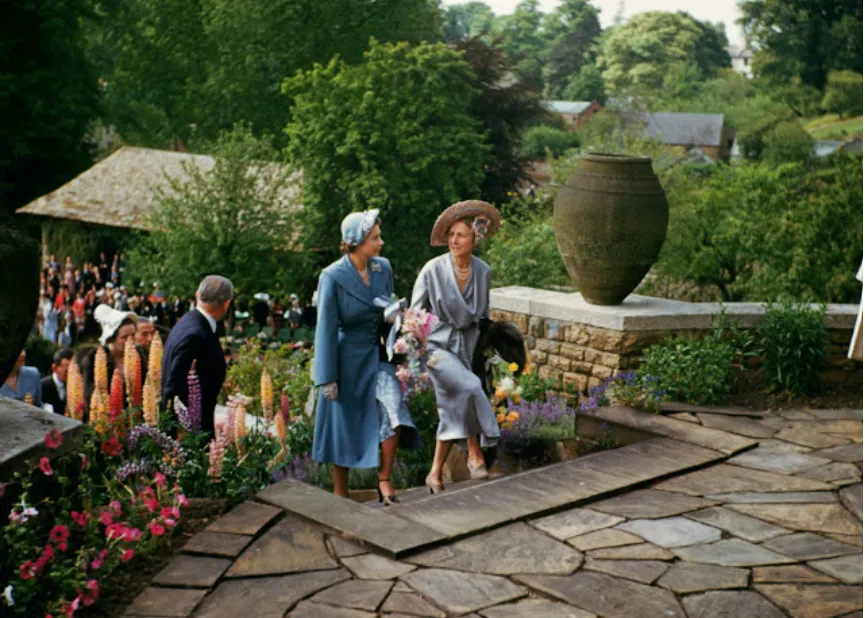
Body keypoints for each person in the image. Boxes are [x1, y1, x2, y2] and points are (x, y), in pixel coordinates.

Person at [313, 209, 420, 503]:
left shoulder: (382, 268)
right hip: (345, 359)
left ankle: (384, 479)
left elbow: (387, 308)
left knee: (394, 409)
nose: (381, 242)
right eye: (375, 238)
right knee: (342, 421)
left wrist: (402, 328)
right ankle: (340, 493)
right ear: (356, 242)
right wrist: (326, 377)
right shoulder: (332, 276)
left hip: (377, 355)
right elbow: (325, 327)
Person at [410, 200, 501, 493]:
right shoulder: (432, 270)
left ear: (474, 239)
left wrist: (488, 350)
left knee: (454, 408)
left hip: (469, 345)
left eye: (460, 235)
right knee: (471, 388)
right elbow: (413, 314)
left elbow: (484, 315)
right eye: (450, 235)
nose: (453, 240)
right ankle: (480, 443)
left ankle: (434, 474)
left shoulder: (483, 271)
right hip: (437, 347)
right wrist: (415, 357)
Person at [162, 275, 233, 436]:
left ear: (197, 295)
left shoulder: (188, 323)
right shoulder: (196, 334)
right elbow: (173, 389)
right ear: (226, 303)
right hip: (189, 435)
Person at [41, 348, 74, 415]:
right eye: (67, 371)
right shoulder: (42, 386)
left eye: (73, 372)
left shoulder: (74, 386)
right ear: (54, 368)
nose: (71, 375)